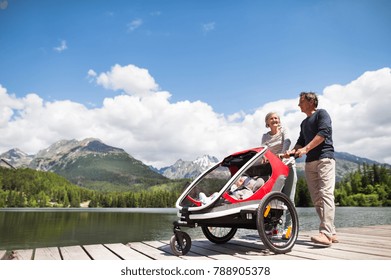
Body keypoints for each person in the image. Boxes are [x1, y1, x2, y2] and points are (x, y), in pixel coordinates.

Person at [285, 92, 338, 246]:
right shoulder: (304, 123)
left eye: (300, 101)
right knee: (316, 199)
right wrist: (292, 151)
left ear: (310, 101)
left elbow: (323, 133)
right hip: (310, 163)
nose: (298, 105)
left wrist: (306, 149)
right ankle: (331, 231)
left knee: (326, 194)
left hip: (325, 158)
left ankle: (325, 233)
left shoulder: (322, 114)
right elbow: (300, 141)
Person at [261, 112, 297, 206]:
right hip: (274, 168)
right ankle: (277, 220)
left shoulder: (284, 130)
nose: (274, 120)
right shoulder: (265, 136)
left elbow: (287, 142)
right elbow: (263, 150)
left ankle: (290, 221)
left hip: (287, 165)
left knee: (289, 198)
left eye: (276, 118)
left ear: (279, 121)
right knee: (274, 198)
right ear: (267, 123)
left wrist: (282, 153)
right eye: (271, 118)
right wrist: (264, 157)